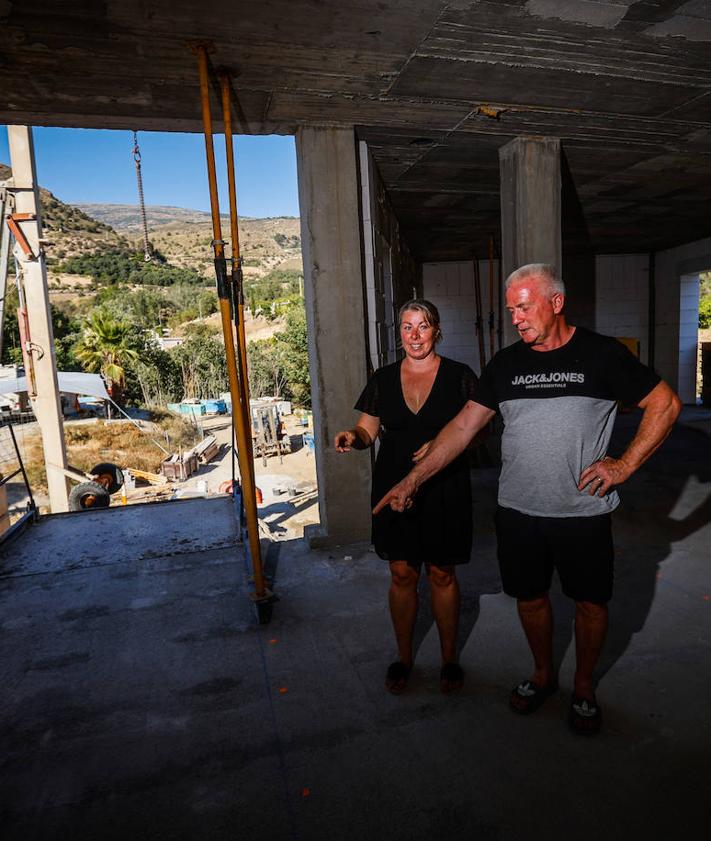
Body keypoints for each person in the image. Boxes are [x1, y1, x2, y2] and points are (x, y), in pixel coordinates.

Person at [374, 264, 681, 734]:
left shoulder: (602, 355)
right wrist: (412, 480)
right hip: (518, 512)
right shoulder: (505, 364)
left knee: (590, 603)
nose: (515, 317)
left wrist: (623, 465)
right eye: (511, 308)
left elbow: (665, 404)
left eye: (524, 306)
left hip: (582, 513)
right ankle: (542, 675)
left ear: (556, 302)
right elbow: (461, 429)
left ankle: (582, 687)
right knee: (531, 599)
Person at [334, 300, 479, 695]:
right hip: (393, 484)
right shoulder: (382, 379)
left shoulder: (460, 376)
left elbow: (475, 427)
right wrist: (354, 437)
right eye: (407, 327)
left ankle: (450, 659)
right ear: (399, 332)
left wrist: (443, 442)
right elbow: (367, 430)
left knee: (442, 572)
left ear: (437, 331)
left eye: (423, 327)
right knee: (401, 572)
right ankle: (404, 657)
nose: (415, 336)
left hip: (444, 485)